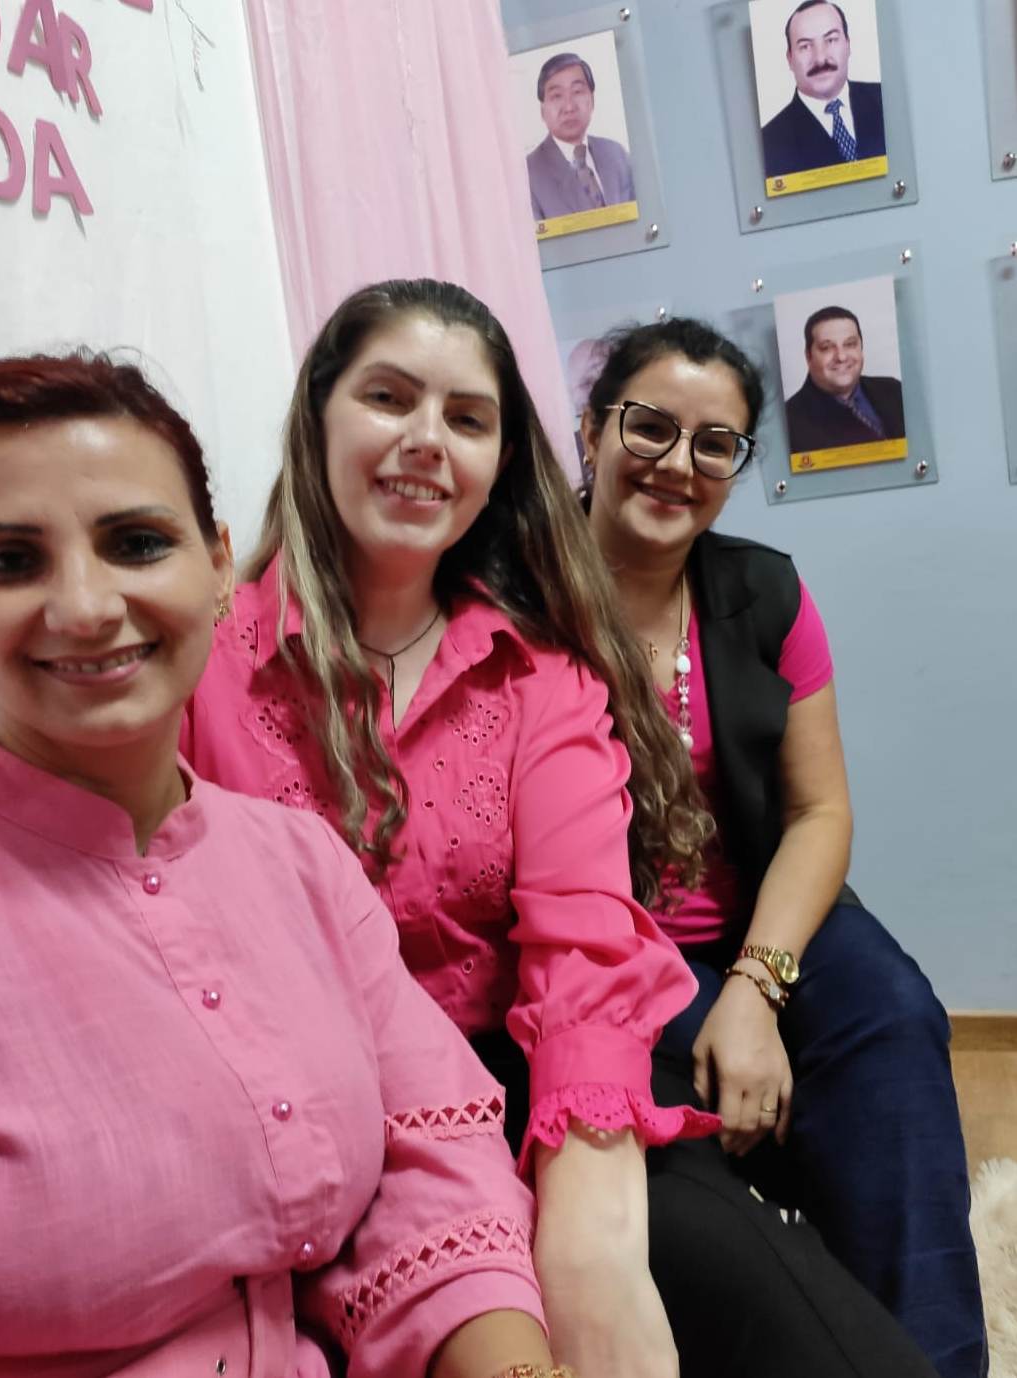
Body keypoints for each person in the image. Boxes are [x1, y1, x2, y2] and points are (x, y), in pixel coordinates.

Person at [185, 276, 942, 1378]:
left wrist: (595, 1221)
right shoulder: (204, 659)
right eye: (387, 397)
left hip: (561, 1040)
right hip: (324, 1109)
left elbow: (598, 934)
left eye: (466, 417)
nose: (425, 439)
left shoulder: (567, 657)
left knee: (873, 1062)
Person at [0, 350, 571, 1378]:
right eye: (9, 561)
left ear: (219, 566)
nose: (84, 607)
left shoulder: (295, 858)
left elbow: (429, 1152)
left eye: (136, 543)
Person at [580, 314, 987, 1378]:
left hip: (763, 916)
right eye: (650, 427)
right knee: (687, 1079)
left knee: (890, 1018)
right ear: (590, 431)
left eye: (714, 444)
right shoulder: (518, 600)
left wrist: (756, 988)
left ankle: (933, 1357)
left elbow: (818, 814)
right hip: (607, 947)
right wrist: (715, 1006)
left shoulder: (764, 591)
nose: (678, 463)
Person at [761, 0, 886, 181]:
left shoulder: (887, 99)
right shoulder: (769, 143)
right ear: (790, 59)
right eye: (805, 46)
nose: (820, 59)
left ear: (848, 44)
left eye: (831, 40)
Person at [526, 52, 635, 222]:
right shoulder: (528, 175)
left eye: (577, 92)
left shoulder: (616, 154)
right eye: (557, 96)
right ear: (543, 111)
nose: (569, 107)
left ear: (592, 101)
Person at [785, 304, 905, 452]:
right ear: (808, 356)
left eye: (850, 344)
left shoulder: (894, 389)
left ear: (861, 348)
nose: (841, 357)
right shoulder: (789, 424)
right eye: (826, 347)